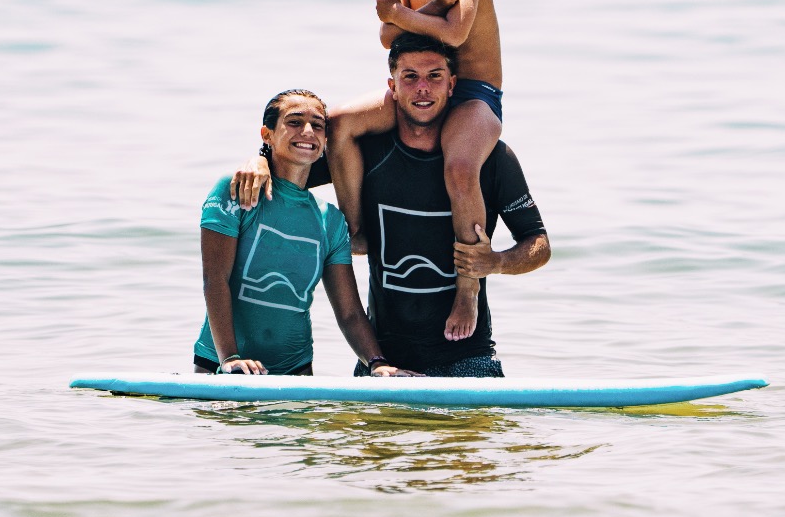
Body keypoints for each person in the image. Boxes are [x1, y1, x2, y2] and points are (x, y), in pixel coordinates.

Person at [232, 35, 550, 377]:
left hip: (468, 356)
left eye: (435, 76)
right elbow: (290, 167)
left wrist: (496, 262)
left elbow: (538, 244)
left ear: (452, 85)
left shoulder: (489, 159)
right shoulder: (366, 152)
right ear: (392, 87)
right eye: (410, 77)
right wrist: (259, 160)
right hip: (382, 361)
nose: (422, 88)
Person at [327, 0, 504, 344]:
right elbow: (388, 39)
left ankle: (468, 287)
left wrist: (400, 14)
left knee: (460, 166)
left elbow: (456, 32)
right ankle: (356, 229)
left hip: (472, 93)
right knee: (339, 121)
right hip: (420, 87)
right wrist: (425, 8)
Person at [194, 88, 415, 377]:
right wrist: (230, 358)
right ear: (267, 134)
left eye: (318, 125)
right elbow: (214, 279)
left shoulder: (330, 220)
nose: (308, 131)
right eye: (295, 122)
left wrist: (377, 362)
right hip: (220, 365)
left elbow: (349, 313)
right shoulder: (236, 190)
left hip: (296, 372)